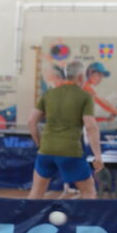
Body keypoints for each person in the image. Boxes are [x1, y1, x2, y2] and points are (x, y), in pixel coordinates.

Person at [26, 60, 103, 200]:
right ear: (81, 77)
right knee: (89, 193)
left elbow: (31, 121)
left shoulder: (48, 94)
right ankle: (87, 216)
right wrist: (97, 155)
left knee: (36, 194)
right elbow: (90, 127)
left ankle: (26, 215)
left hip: (46, 151)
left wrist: (39, 143)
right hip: (70, 152)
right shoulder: (85, 96)